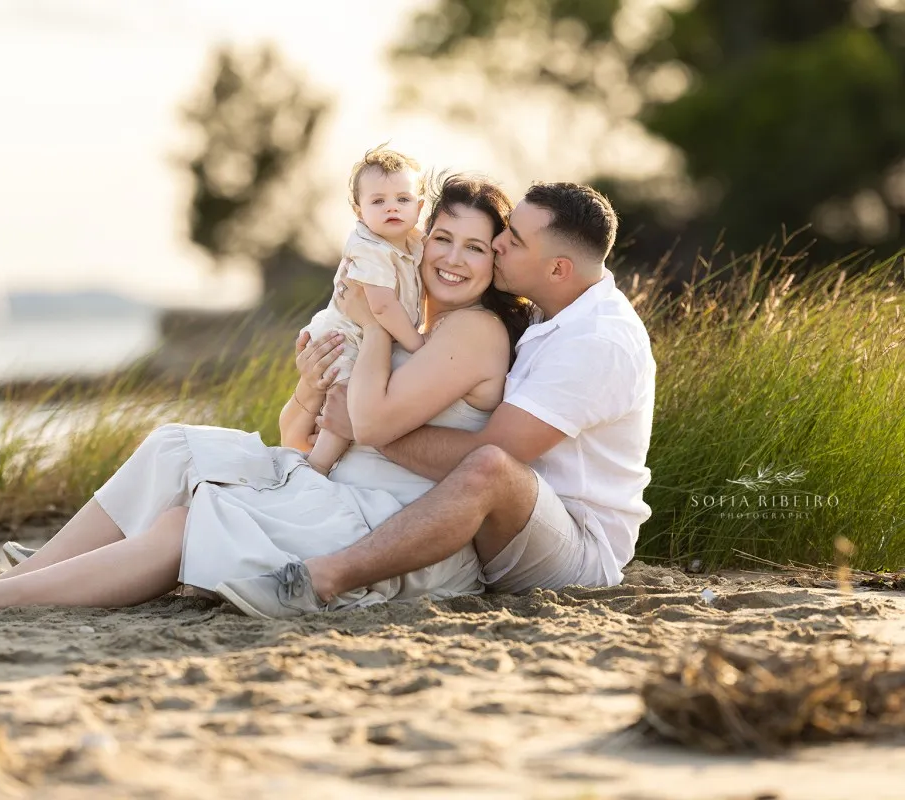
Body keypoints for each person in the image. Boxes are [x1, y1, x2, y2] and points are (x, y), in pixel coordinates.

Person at [0, 175, 531, 616]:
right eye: (442, 240)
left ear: (494, 262)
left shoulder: (472, 330)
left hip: (393, 530)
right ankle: (37, 574)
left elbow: (368, 424)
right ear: (421, 243)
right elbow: (300, 439)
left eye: (475, 247)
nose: (453, 258)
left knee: (190, 521)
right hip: (334, 489)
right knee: (176, 445)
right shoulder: (415, 322)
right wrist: (311, 389)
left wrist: (368, 324)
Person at [217, 182, 657, 619]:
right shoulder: (549, 311)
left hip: (575, 549)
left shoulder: (597, 341)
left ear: (558, 269)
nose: (498, 243)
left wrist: (369, 431)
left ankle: (324, 578)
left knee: (491, 467)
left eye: (513, 240)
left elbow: (494, 454)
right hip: (509, 521)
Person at [300, 146, 426, 475]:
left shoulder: (413, 241)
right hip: (345, 335)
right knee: (346, 394)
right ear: (359, 212)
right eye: (378, 201)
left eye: (403, 199)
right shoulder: (369, 248)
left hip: (367, 334)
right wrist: (418, 347)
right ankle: (318, 465)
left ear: (420, 206)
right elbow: (382, 307)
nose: (392, 208)